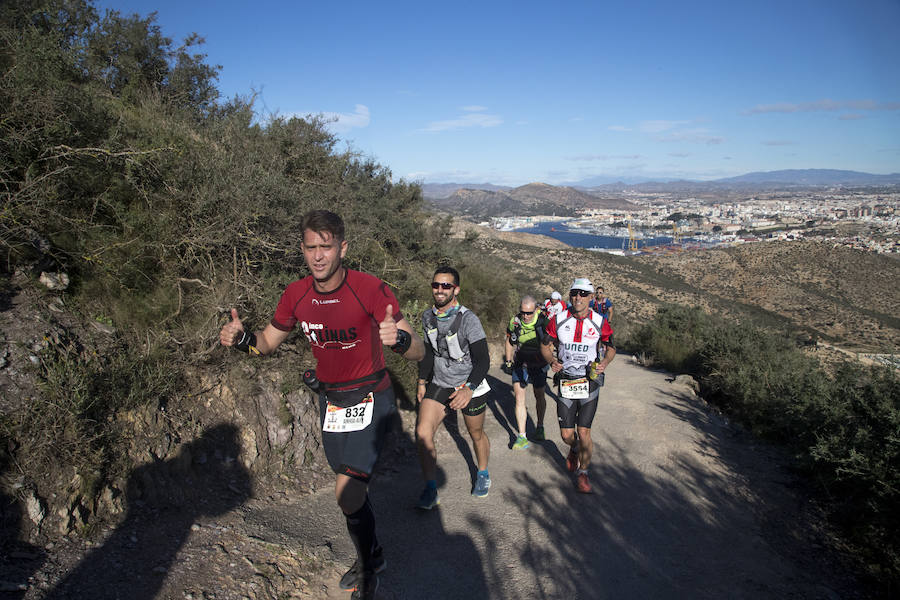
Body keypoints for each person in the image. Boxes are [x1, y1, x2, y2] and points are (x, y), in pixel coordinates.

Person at [219, 210, 425, 600]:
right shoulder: (295, 295)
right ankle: (373, 552)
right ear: (302, 249)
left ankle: (368, 570)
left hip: (371, 395)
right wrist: (243, 337)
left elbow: (417, 351)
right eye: (311, 248)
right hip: (331, 400)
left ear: (342, 248)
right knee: (351, 493)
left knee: (347, 491)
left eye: (326, 247)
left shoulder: (370, 289)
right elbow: (265, 343)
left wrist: (397, 339)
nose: (318, 256)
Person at [416, 266, 492, 508]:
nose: (440, 290)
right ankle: (430, 488)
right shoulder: (428, 317)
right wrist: (421, 381)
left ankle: (482, 473)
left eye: (446, 286)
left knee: (475, 433)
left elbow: (483, 360)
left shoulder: (468, 319)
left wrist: (468, 388)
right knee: (422, 433)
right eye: (436, 285)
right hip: (440, 382)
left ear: (456, 289)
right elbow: (428, 352)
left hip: (470, 384)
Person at [540, 277, 615, 494]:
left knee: (584, 432)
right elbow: (545, 346)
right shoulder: (559, 319)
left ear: (592, 298)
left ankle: (584, 473)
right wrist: (551, 361)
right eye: (574, 293)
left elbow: (611, 348)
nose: (578, 298)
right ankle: (573, 449)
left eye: (583, 294)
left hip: (589, 381)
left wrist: (605, 362)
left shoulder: (600, 322)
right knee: (566, 434)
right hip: (566, 380)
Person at [502, 295, 549, 448]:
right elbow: (509, 341)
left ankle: (540, 426)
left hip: (539, 362)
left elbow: (551, 345)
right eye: (523, 312)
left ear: (536, 310)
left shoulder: (543, 322)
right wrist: (508, 361)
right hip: (520, 362)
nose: (526, 316)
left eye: (529, 313)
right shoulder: (515, 322)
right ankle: (522, 437)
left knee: (539, 395)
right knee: (519, 399)